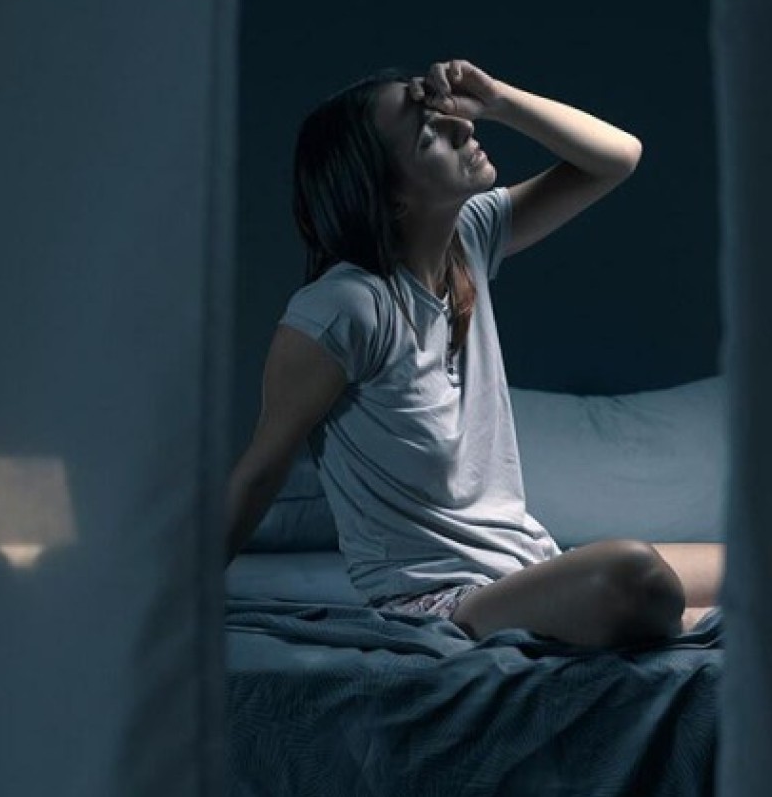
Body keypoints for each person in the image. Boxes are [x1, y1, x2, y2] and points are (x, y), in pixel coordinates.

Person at [224, 59, 723, 648]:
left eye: (445, 114)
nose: (462, 128)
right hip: (441, 602)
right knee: (635, 574)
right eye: (430, 132)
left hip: (529, 567)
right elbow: (259, 473)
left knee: (760, 565)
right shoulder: (343, 308)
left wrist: (501, 100)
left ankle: (708, 618)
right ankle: (703, 625)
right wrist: (170, 597)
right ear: (392, 198)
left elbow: (618, 156)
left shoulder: (469, 238)